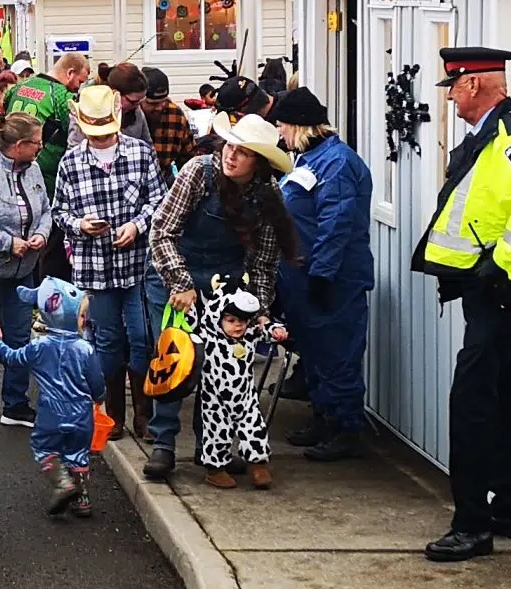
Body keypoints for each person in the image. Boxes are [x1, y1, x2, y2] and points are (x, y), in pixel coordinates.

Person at [412, 46, 511, 563]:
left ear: (475, 85)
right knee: (504, 397)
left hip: (504, 293)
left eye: (453, 87)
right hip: (499, 294)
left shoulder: (509, 140)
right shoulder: (491, 136)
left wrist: (500, 271)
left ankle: (472, 525)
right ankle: (509, 507)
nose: (451, 98)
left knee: (473, 403)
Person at [147, 114, 296, 481]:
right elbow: (162, 231)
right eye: (230, 146)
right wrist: (180, 283)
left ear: (258, 163)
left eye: (243, 152)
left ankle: (209, 448)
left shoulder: (268, 195)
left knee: (215, 369)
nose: (232, 156)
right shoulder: (198, 172)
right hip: (176, 274)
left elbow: (263, 261)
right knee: (175, 359)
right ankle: (163, 445)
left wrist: (259, 310)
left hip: (225, 286)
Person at [52, 84, 169, 454]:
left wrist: (136, 226)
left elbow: (160, 202)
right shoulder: (70, 162)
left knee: (141, 336)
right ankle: (114, 412)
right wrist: (80, 225)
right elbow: (59, 213)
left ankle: (143, 414)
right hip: (95, 266)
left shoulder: (140, 153)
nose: (101, 138)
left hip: (136, 263)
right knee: (107, 340)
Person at [272, 87, 372, 461]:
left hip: (334, 280)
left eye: (282, 126)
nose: (279, 133)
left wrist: (322, 274)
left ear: (299, 126)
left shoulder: (337, 163)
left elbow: (337, 221)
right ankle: (323, 418)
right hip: (305, 277)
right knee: (315, 353)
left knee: (337, 354)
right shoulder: (311, 159)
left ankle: (345, 429)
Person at [0, 276, 106, 518]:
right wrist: (99, 398)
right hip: (82, 412)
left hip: (51, 411)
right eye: (82, 315)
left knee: (44, 447)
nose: (86, 321)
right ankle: (82, 499)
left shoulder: (39, 346)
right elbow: (96, 380)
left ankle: (63, 482)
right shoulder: (85, 349)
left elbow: (11, 358)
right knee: (78, 452)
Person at [0, 111, 56, 427]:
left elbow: (45, 210)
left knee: (20, 336)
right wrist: (8, 243)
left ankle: (15, 404)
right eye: (37, 144)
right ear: (20, 145)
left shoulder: (33, 168)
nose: (41, 149)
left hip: (24, 270)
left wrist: (40, 234)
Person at [189, 284, 274, 488]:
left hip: (246, 399)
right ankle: (215, 469)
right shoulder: (209, 337)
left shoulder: (249, 336)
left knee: (255, 429)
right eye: (231, 320)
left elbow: (266, 331)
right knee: (216, 433)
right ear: (217, 318)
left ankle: (258, 464)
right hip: (215, 400)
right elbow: (190, 326)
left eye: (243, 320)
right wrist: (190, 305)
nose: (238, 326)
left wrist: (276, 330)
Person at [2, 50, 88, 187]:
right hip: (43, 172)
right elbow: (76, 135)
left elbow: (5, 104)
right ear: (70, 73)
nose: (79, 87)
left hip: (7, 160)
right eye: (80, 81)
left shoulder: (20, 86)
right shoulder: (62, 97)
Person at [140, 66, 197, 182]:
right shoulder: (128, 117)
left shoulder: (175, 114)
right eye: (153, 104)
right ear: (139, 99)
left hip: (163, 179)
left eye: (164, 102)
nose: (160, 108)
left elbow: (189, 156)